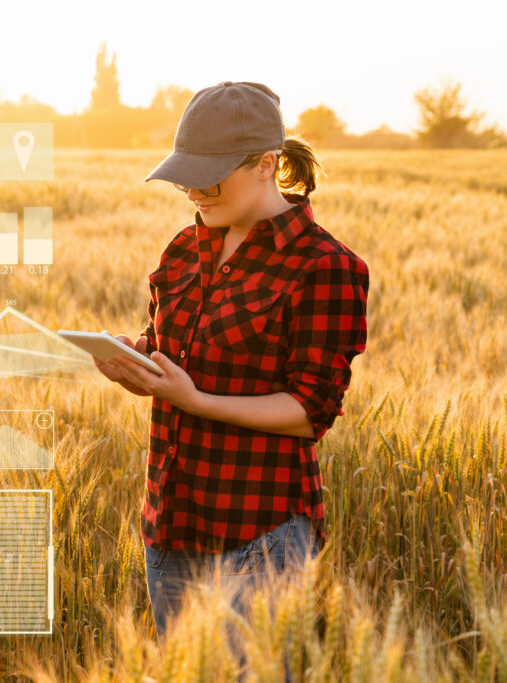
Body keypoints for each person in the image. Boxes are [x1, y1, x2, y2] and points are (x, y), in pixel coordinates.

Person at [94, 81, 369, 677]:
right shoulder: (184, 250)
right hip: (171, 521)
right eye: (184, 178)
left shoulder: (325, 268)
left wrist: (193, 399)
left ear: (268, 165)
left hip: (259, 535)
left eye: (210, 179)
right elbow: (177, 351)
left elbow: (308, 412)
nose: (194, 193)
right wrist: (135, 360)